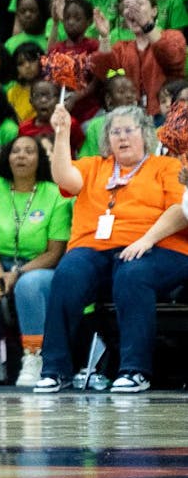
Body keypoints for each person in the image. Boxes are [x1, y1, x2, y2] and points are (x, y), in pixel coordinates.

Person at [38, 103, 188, 393]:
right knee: (68, 273)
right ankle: (55, 369)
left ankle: (135, 370)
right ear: (107, 139)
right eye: (115, 131)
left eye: (129, 130)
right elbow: (64, 177)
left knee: (133, 274)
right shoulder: (95, 166)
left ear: (145, 134)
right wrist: (62, 132)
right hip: (94, 247)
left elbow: (180, 210)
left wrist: (146, 240)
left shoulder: (166, 166)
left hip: (159, 247)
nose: (122, 137)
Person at [0, 135, 69, 388]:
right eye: (16, 151)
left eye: (29, 151)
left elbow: (55, 252)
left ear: (40, 159)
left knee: (29, 285)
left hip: (40, 267)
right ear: (6, 157)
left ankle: (34, 358)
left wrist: (16, 274)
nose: (21, 156)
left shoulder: (55, 194)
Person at [89, 0, 186, 118]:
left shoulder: (173, 37)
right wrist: (105, 37)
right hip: (130, 117)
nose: (132, 10)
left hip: (167, 115)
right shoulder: (121, 47)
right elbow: (104, 72)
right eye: (127, 6)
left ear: (154, 11)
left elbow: (172, 58)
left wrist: (148, 26)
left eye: (138, 5)